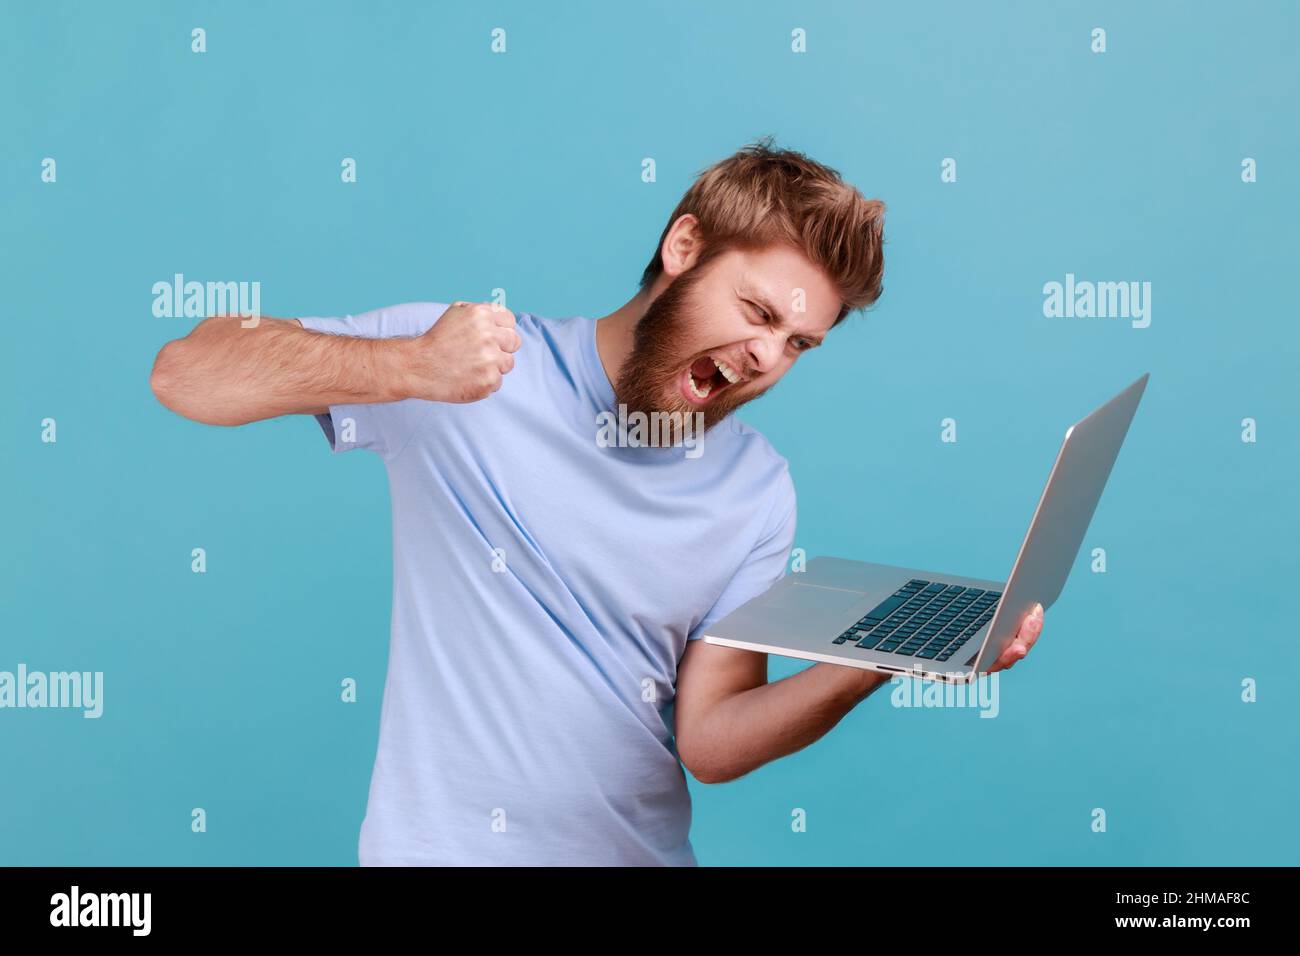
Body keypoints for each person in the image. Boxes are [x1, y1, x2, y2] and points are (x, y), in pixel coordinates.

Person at [149, 140, 1045, 865]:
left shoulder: (757, 487)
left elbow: (710, 738)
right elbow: (187, 373)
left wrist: (880, 658)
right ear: (684, 248)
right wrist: (405, 366)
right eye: (759, 312)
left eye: (800, 343)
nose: (770, 357)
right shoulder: (471, 364)